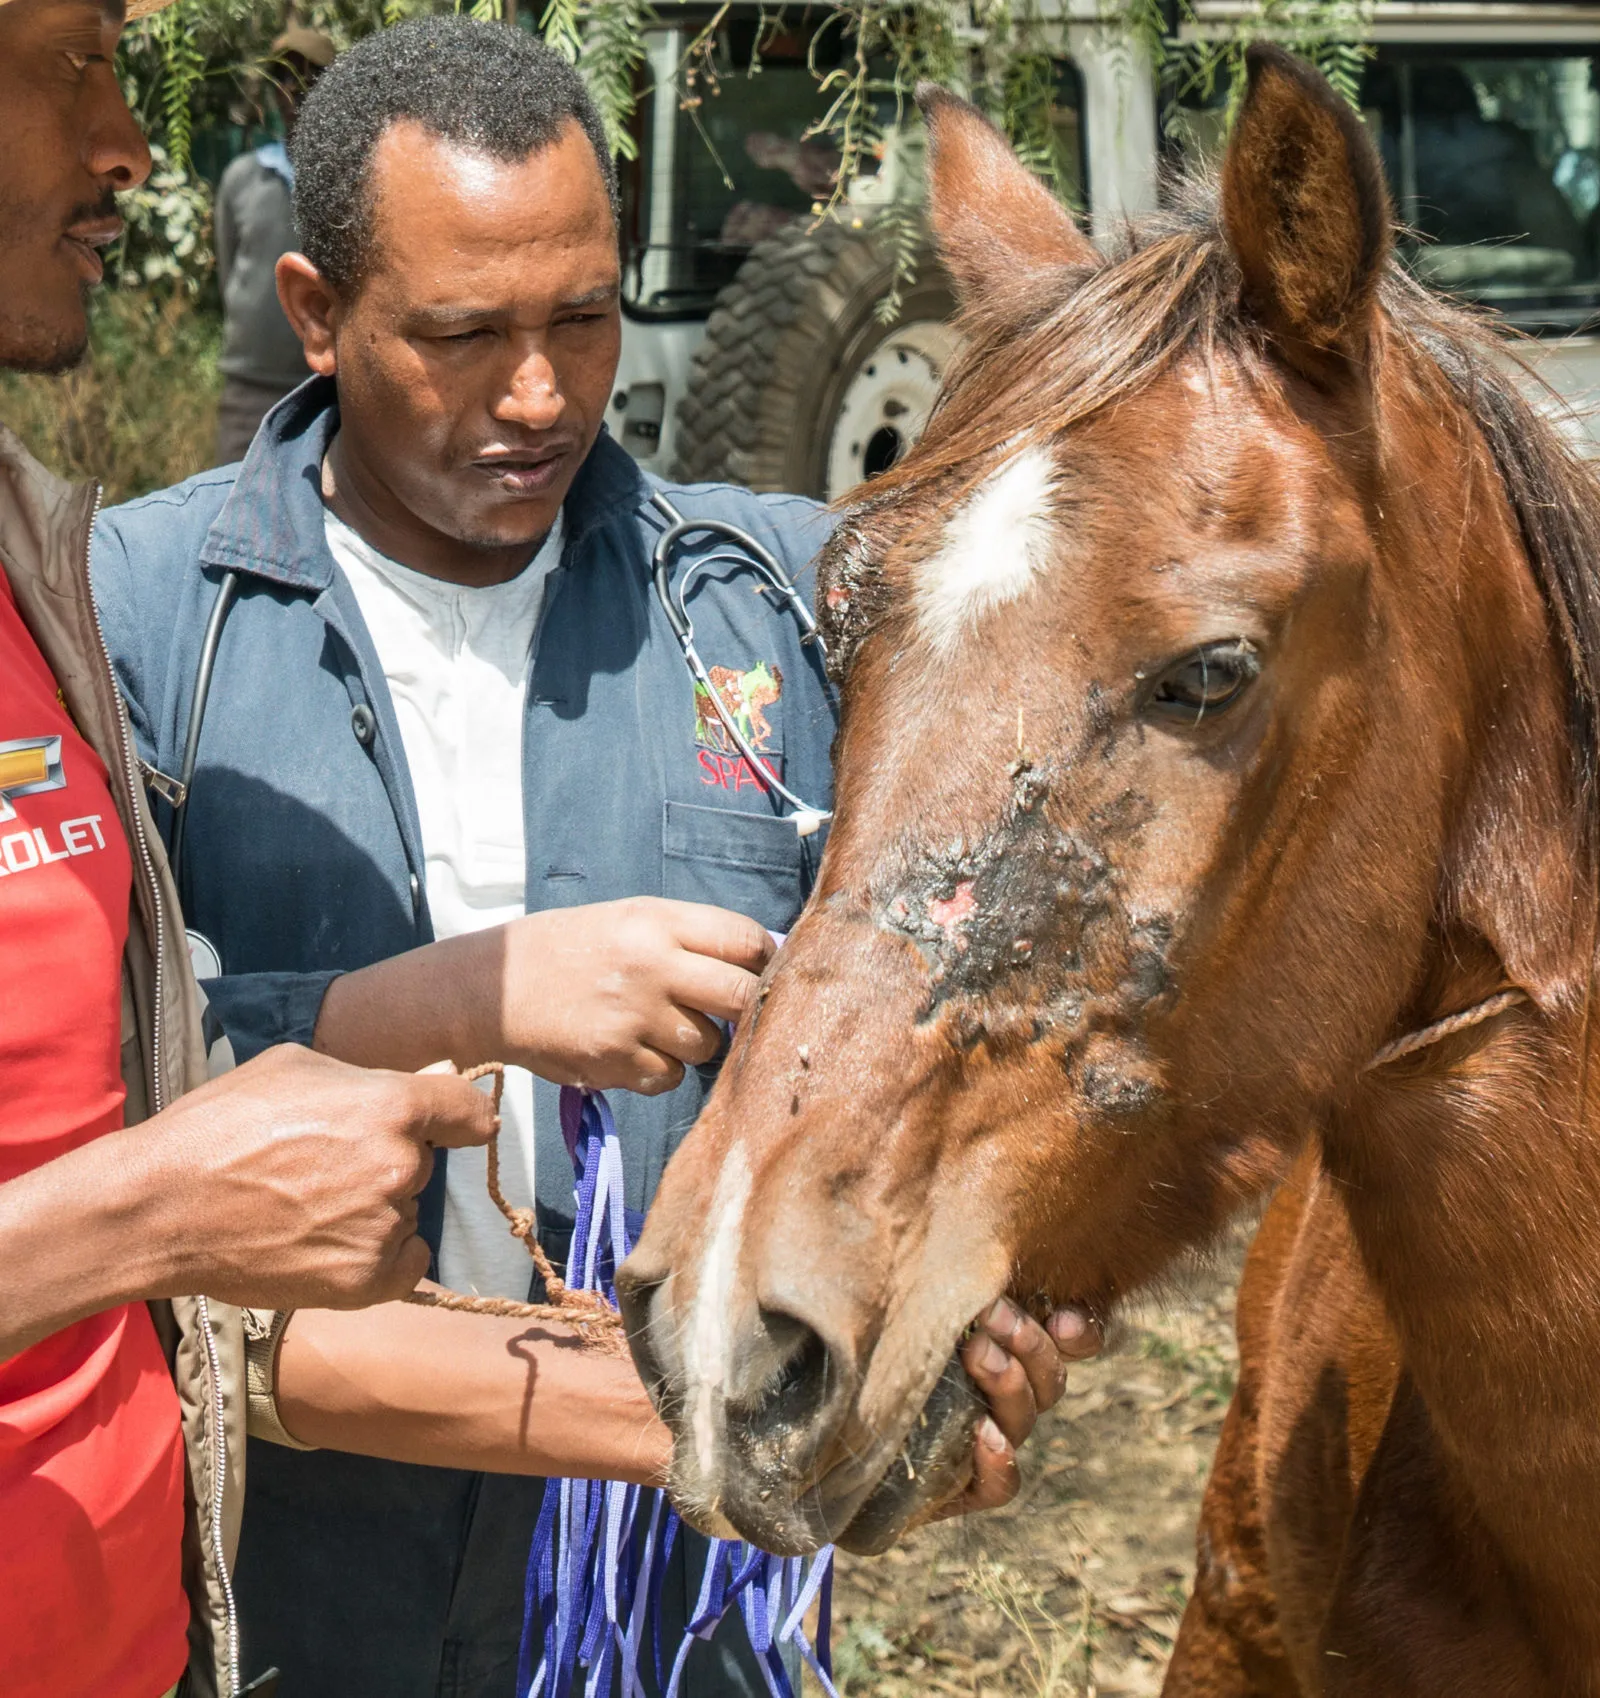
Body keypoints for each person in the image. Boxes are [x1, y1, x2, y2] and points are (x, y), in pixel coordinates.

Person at [91, 16, 1100, 1697]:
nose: (544, 392)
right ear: (317, 318)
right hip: (280, 1575)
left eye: (582, 313)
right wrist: (429, 1002)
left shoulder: (773, 600)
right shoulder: (137, 622)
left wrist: (967, 1323)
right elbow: (87, 1109)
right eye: (465, 333)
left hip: (676, 1593)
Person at [211, 23, 331, 464]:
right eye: (283, 78)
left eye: (307, 77)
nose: (293, 90)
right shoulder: (244, 178)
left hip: (330, 385)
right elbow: (229, 273)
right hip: (250, 384)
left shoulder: (350, 180)